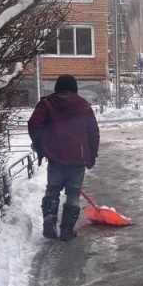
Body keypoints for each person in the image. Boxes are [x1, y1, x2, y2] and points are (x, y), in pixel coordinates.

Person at [27, 74, 100, 241]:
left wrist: (41, 144)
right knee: (73, 194)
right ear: (74, 88)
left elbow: (34, 124)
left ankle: (49, 219)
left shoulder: (46, 104)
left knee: (53, 189)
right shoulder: (83, 105)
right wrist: (92, 154)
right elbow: (93, 133)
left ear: (57, 87)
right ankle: (67, 230)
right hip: (78, 158)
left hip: (55, 157)